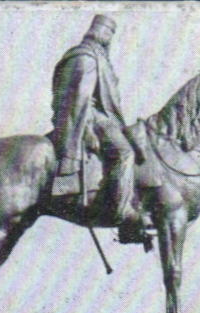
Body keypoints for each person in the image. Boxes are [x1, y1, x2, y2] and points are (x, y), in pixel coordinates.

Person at [51, 14, 146, 237]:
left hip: (98, 116)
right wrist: (86, 130)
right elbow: (79, 100)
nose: (109, 38)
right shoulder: (87, 58)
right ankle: (121, 211)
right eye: (108, 33)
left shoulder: (95, 56)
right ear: (99, 32)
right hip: (91, 118)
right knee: (124, 152)